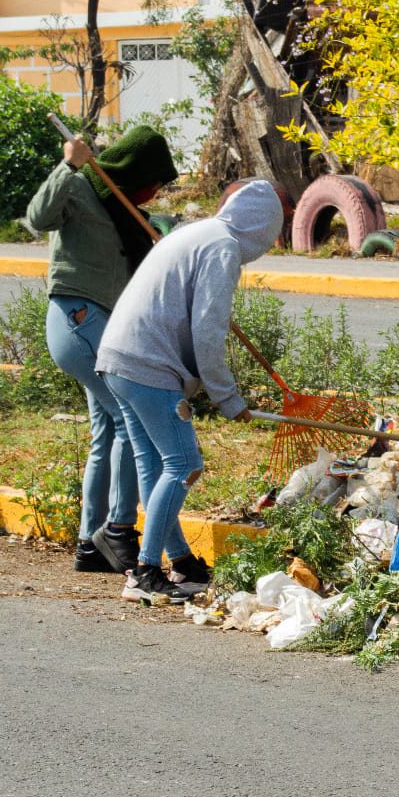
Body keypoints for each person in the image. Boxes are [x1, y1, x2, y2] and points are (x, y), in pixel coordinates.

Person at [95, 180, 283, 603]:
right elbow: (208, 330)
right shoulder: (223, 248)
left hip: (118, 358)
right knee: (184, 465)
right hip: (149, 365)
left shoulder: (196, 232)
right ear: (262, 229)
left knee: (155, 464)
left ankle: (181, 564)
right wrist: (228, 398)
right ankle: (144, 572)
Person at [25, 124, 178, 573]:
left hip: (102, 326)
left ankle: (90, 544)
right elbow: (38, 217)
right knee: (132, 421)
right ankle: (118, 530)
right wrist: (68, 163)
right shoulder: (79, 186)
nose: (155, 191)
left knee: (107, 432)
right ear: (134, 171)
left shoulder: (124, 209)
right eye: (153, 181)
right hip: (78, 317)